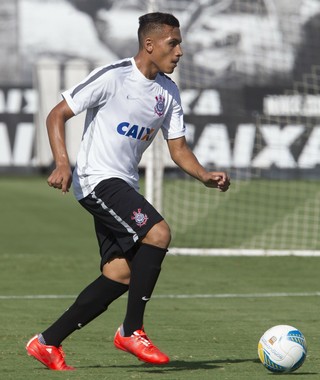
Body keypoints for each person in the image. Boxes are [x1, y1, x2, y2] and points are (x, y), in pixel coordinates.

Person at [26, 12, 230, 371]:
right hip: (97, 179)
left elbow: (178, 148)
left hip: (123, 183)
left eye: (180, 43)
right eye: (173, 43)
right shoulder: (114, 76)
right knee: (159, 232)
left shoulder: (168, 92)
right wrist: (62, 163)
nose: (180, 51)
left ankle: (47, 342)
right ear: (149, 45)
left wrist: (204, 176)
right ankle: (131, 330)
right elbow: (57, 114)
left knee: (120, 274)